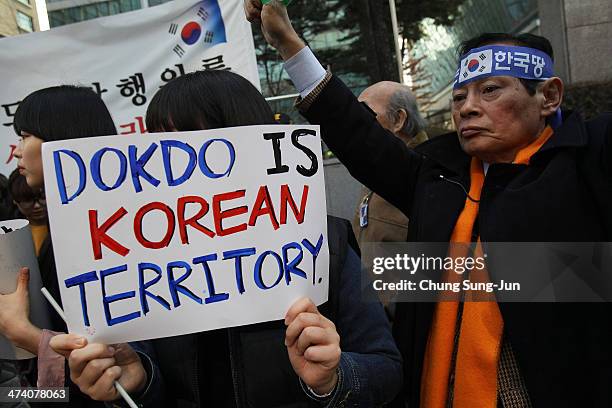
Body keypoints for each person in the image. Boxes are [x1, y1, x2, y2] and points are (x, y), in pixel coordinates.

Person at [244, 2, 612, 407]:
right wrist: (287, 42)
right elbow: (355, 132)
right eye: (459, 95)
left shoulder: (588, 162)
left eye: (490, 90)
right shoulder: (438, 179)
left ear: (549, 96)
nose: (467, 107)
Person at [51, 70, 402, 407]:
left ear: (247, 145)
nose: (164, 164)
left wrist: (334, 379)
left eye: (186, 147)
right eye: (156, 146)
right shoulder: (139, 259)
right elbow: (149, 379)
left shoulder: (327, 243)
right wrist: (138, 381)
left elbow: (386, 369)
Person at [0, 85, 118, 407]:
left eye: (25, 136)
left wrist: (22, 332)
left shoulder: (104, 236)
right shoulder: (65, 227)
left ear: (60, 139)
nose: (16, 151)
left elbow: (106, 359)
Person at [351, 81, 428, 246]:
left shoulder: (427, 177)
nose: (357, 123)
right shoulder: (375, 166)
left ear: (399, 119)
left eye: (365, 114)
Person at [8, 169, 48, 255]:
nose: (37, 206)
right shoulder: (8, 233)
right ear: (14, 200)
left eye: (42, 197)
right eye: (27, 200)